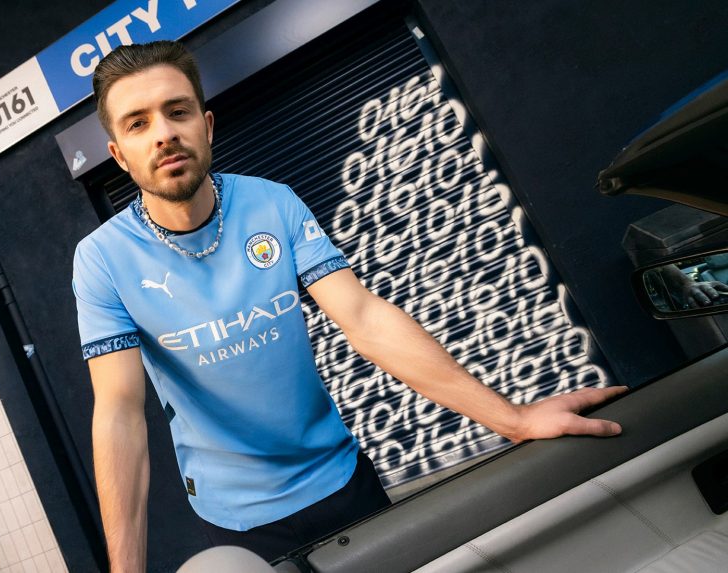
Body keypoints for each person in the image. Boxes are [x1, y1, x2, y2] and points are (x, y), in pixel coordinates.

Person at [72, 40, 627, 571]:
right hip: (235, 518)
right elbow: (120, 410)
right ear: (119, 155)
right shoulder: (102, 259)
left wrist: (514, 420)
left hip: (339, 478)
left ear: (207, 124)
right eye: (138, 123)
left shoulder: (273, 204)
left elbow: (364, 319)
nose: (164, 134)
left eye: (178, 111)